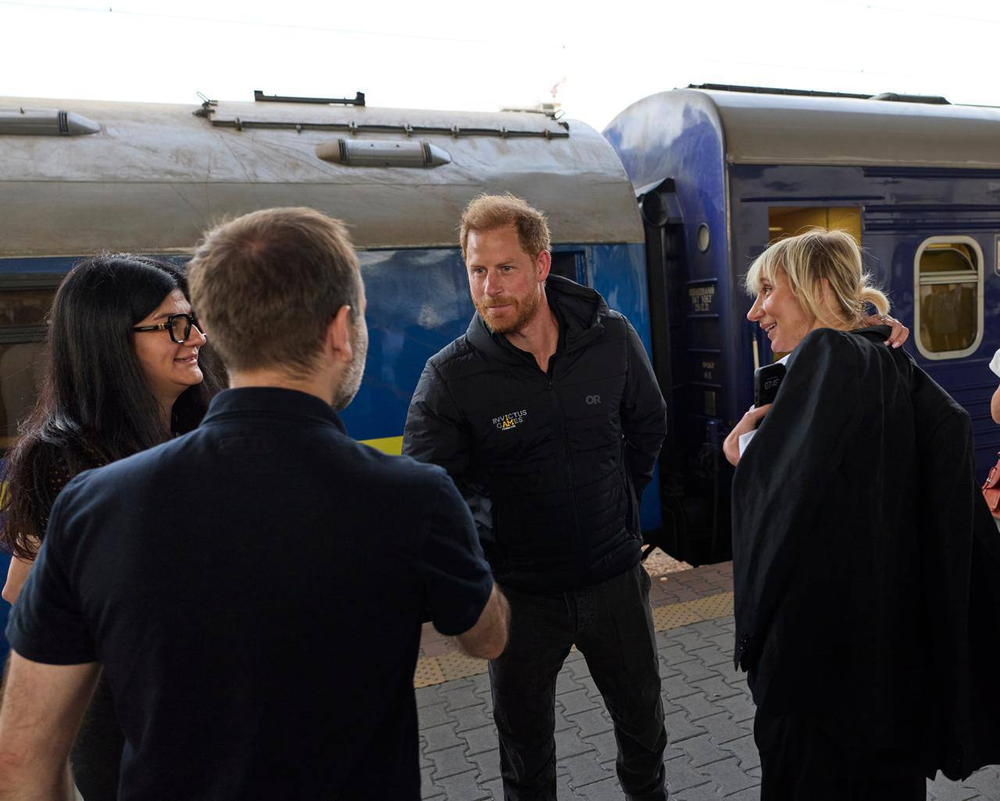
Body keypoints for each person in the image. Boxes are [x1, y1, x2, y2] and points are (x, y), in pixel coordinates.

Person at [0, 207, 509, 801]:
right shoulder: (414, 497)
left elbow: (21, 762)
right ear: (341, 329)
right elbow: (487, 639)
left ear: (220, 327)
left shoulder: (89, 504)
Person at [403, 194, 669, 800]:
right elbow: (428, 490)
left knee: (645, 739)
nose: (489, 287)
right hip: (521, 600)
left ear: (543, 265)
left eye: (506, 268)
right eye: (476, 270)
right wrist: (489, 555)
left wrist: (621, 504)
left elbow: (647, 426)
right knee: (526, 762)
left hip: (615, 582)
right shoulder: (451, 377)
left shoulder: (611, 339)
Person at [723, 229, 1000, 800]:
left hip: (821, 683)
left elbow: (793, 501)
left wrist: (746, 452)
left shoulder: (831, 359)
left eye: (768, 290)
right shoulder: (885, 364)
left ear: (817, 288)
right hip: (891, 673)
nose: (755, 311)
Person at [0, 253, 224, 801]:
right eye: (173, 324)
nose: (195, 336)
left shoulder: (205, 426)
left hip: (216, 700)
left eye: (195, 319)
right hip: (128, 714)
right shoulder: (62, 458)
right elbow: (23, 591)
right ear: (110, 341)